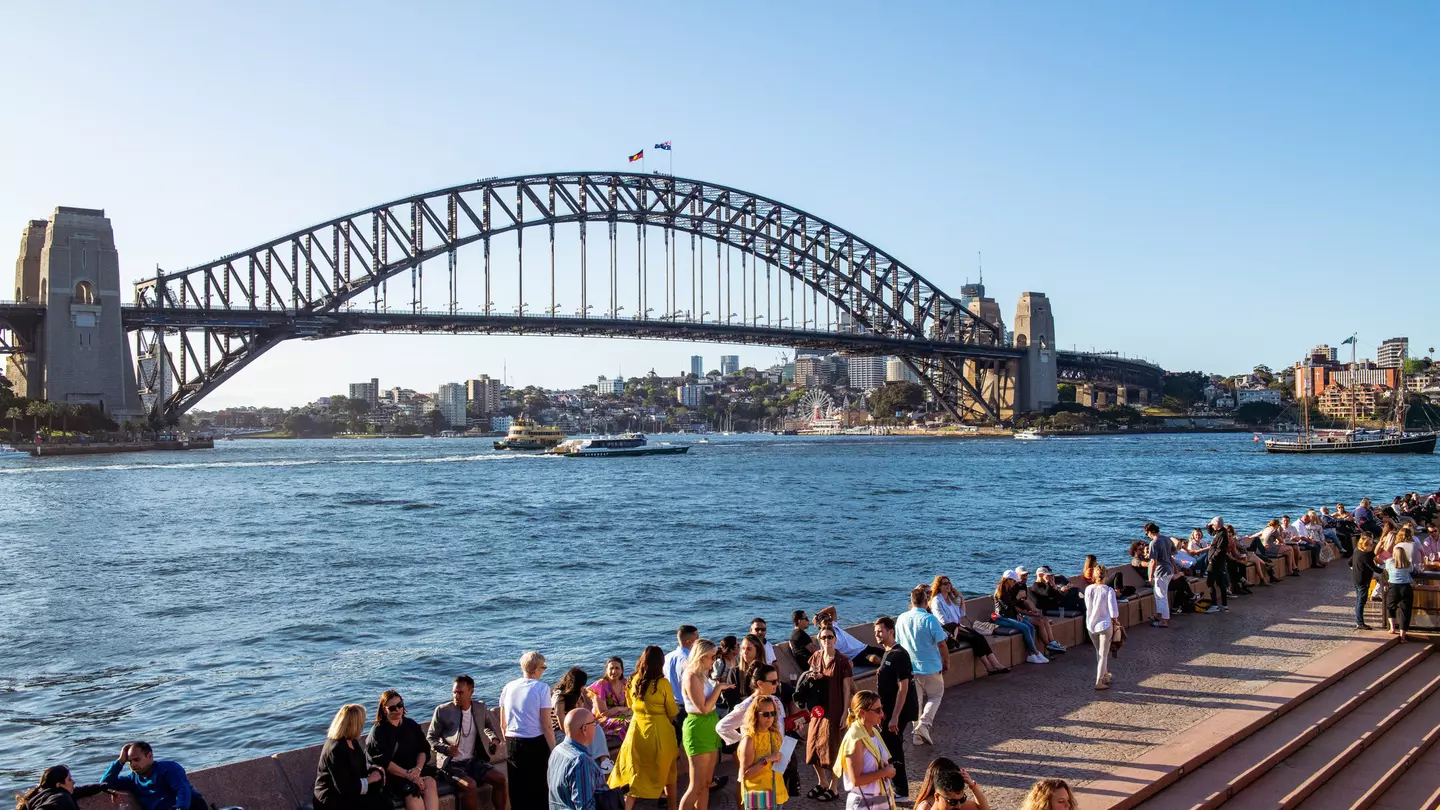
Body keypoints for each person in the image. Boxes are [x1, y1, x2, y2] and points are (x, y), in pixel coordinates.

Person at [609, 645, 680, 810]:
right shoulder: (662, 684)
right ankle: (672, 807)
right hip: (660, 732)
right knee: (669, 773)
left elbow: (630, 704)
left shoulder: (633, 680)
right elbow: (672, 711)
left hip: (637, 731)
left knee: (636, 776)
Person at [428, 676, 506, 810]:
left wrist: (494, 739)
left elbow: (487, 725)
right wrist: (446, 749)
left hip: (473, 761)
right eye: (454, 692)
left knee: (500, 779)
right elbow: (430, 737)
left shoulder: (480, 707)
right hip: (450, 764)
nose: (456, 696)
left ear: (471, 692)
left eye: (460, 693)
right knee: (470, 786)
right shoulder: (442, 711)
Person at [679, 639, 733, 810]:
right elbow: (702, 708)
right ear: (701, 657)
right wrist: (719, 688)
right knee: (696, 785)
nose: (714, 661)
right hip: (698, 727)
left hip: (709, 726)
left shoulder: (703, 674)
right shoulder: (691, 676)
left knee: (707, 783)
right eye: (711, 657)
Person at [499, 651, 556, 810]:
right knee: (539, 788)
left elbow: (503, 723)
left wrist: (508, 741)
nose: (544, 670)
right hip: (535, 742)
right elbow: (546, 725)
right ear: (537, 669)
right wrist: (553, 749)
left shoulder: (508, 687)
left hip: (512, 741)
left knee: (517, 789)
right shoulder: (542, 688)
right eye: (543, 667)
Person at [805, 623, 856, 801]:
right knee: (813, 747)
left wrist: (844, 713)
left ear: (835, 639)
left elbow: (847, 689)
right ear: (818, 640)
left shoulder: (842, 661)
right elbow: (810, 681)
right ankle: (822, 782)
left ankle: (834, 787)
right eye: (823, 637)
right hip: (818, 710)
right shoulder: (816, 657)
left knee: (834, 748)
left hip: (835, 709)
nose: (826, 640)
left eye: (830, 637)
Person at [895, 586, 950, 747]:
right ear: (926, 602)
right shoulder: (930, 619)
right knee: (935, 695)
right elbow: (942, 644)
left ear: (911, 601)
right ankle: (924, 725)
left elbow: (898, 643)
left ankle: (917, 737)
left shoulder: (901, 618)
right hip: (931, 666)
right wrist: (946, 661)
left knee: (916, 702)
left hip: (910, 667)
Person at [367, 691, 439, 810]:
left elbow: (423, 749)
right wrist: (410, 776)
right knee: (412, 793)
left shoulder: (410, 725)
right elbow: (383, 761)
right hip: (394, 776)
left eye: (400, 705)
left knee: (430, 782)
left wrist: (418, 769)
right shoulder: (379, 731)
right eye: (392, 708)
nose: (397, 710)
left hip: (414, 770)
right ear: (384, 710)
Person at [873, 616, 918, 801]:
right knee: (888, 747)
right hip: (888, 711)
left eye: (880, 631)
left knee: (894, 748)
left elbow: (904, 687)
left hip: (896, 712)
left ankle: (901, 790)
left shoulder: (899, 654)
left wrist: (895, 717)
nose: (877, 635)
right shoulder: (887, 653)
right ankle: (894, 785)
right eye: (875, 632)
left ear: (891, 631)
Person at [314, 704, 389, 810]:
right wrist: (369, 779)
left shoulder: (352, 741)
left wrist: (373, 768)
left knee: (384, 802)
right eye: (362, 721)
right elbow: (343, 787)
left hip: (351, 792)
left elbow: (358, 763)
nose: (363, 724)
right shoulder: (336, 749)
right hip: (333, 798)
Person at [929, 575, 1008, 674]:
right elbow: (943, 621)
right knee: (974, 639)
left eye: (949, 583)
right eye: (945, 584)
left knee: (980, 637)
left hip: (958, 626)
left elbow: (962, 614)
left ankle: (996, 664)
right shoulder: (937, 601)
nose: (948, 585)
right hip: (949, 630)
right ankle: (989, 667)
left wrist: (961, 598)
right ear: (939, 586)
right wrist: (957, 627)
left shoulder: (950, 599)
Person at [834, 691, 895, 809]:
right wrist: (884, 772)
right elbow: (856, 780)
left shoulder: (874, 732)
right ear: (862, 712)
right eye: (877, 710)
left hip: (882, 798)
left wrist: (888, 770)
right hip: (864, 802)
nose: (882, 714)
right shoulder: (855, 739)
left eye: (881, 709)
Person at [101, 743, 206, 810]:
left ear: (150, 756)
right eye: (129, 761)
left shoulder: (169, 768)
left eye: (137, 760)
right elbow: (104, 784)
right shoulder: (132, 780)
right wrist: (120, 761)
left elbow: (182, 790)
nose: (133, 765)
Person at [548, 709, 611, 810]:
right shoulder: (580, 761)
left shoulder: (557, 751)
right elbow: (585, 807)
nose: (596, 726)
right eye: (594, 723)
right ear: (585, 729)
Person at [553, 668, 612, 769]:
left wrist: (580, 703)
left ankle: (604, 759)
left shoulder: (576, 695)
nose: (584, 687)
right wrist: (575, 733)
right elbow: (561, 721)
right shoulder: (560, 696)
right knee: (582, 735)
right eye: (582, 684)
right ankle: (590, 762)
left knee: (596, 728)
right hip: (559, 730)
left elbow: (581, 714)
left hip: (574, 725)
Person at [736, 696, 789, 808]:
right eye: (765, 714)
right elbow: (745, 775)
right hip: (759, 797)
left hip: (777, 793)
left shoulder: (776, 734)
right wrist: (766, 760)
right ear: (755, 715)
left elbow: (777, 765)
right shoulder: (750, 739)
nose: (770, 717)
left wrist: (783, 760)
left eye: (773, 713)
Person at [993, 576, 1049, 664]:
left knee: (1030, 626)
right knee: (1025, 628)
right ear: (1008, 580)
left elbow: (1013, 607)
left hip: (1011, 616)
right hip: (1001, 618)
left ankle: (1030, 655)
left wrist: (1017, 614)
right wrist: (1018, 597)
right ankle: (1036, 652)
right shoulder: (1000, 592)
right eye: (1014, 581)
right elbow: (1007, 606)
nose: (1015, 583)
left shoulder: (1009, 590)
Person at [1083, 563, 1121, 690]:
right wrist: (1115, 621)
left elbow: (1088, 607)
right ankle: (1099, 681)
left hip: (1091, 625)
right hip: (1105, 625)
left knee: (1098, 652)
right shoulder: (1108, 590)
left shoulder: (1088, 589)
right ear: (1106, 575)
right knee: (1103, 654)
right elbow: (1114, 612)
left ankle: (1105, 675)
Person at [664, 625, 700, 743]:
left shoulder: (667, 657)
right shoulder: (690, 660)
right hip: (685, 707)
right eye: (697, 637)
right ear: (689, 641)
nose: (700, 640)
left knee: (674, 742)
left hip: (669, 707)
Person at [815, 608, 884, 666]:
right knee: (874, 659)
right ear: (820, 625)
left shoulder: (834, 626)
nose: (829, 622)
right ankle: (888, 668)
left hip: (864, 647)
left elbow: (833, 609)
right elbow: (827, 653)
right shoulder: (823, 636)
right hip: (855, 656)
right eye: (825, 621)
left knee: (889, 654)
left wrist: (817, 615)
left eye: (829, 620)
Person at [16, 766, 105, 810]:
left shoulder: (40, 796)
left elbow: (80, 791)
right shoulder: (61, 797)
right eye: (69, 780)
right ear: (58, 785)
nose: (73, 782)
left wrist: (102, 786)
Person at [589, 657, 633, 744]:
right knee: (625, 723)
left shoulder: (625, 683)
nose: (614, 671)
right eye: (611, 668)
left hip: (622, 714)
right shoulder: (600, 685)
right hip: (603, 719)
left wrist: (617, 709)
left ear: (622, 670)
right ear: (606, 670)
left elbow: (631, 705)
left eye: (617, 668)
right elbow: (604, 713)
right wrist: (625, 710)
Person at [1144, 522, 1179, 628]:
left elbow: (1153, 561)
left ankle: (1164, 620)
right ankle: (1159, 616)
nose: (1147, 536)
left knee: (1161, 596)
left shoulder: (1154, 543)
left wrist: (1150, 577)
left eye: (1147, 534)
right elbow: (1174, 552)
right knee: (1158, 595)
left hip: (1160, 572)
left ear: (1150, 532)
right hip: (1169, 570)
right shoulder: (1167, 539)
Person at [1351, 534, 1384, 630]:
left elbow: (1349, 562)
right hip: (1363, 580)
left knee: (1358, 600)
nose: (1372, 546)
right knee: (1361, 601)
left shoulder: (1357, 551)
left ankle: (1359, 620)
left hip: (1355, 578)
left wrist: (1356, 568)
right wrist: (1388, 570)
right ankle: (1360, 622)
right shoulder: (1366, 555)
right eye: (1370, 545)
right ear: (1365, 545)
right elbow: (1375, 568)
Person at [1386, 546, 1416, 642]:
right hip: (1406, 587)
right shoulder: (1408, 563)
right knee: (1405, 611)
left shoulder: (1389, 562)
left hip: (1393, 587)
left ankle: (1392, 628)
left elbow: (1386, 570)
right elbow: (1412, 571)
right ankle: (1402, 636)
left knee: (1391, 607)